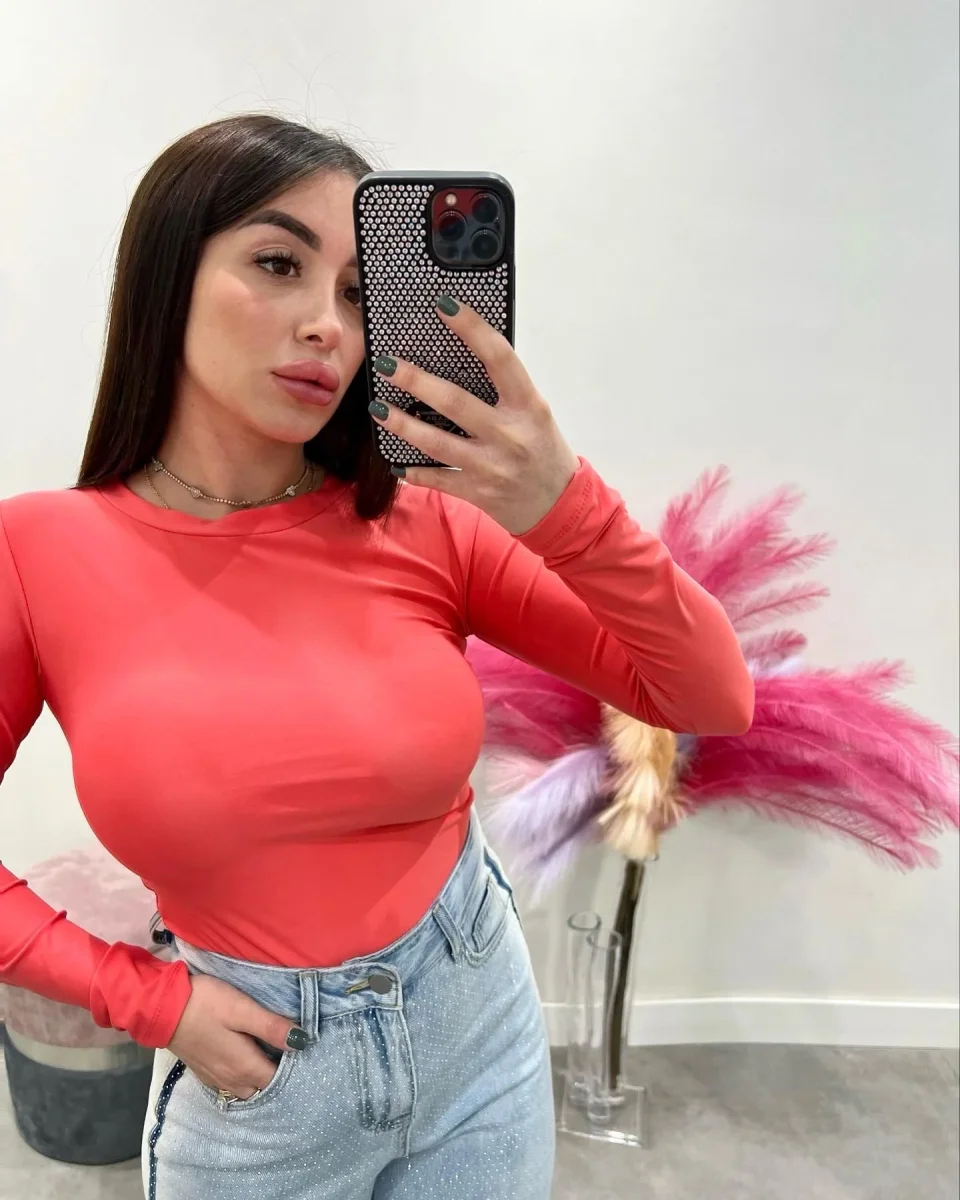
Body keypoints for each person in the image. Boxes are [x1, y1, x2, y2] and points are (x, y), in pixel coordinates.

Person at [0, 114, 754, 1199]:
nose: (327, 326)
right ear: (168, 273)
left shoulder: (423, 523)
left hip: (475, 1025)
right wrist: (149, 1000)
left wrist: (565, 506)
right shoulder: (38, 551)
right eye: (278, 264)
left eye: (360, 295)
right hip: (258, 1083)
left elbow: (709, 693)